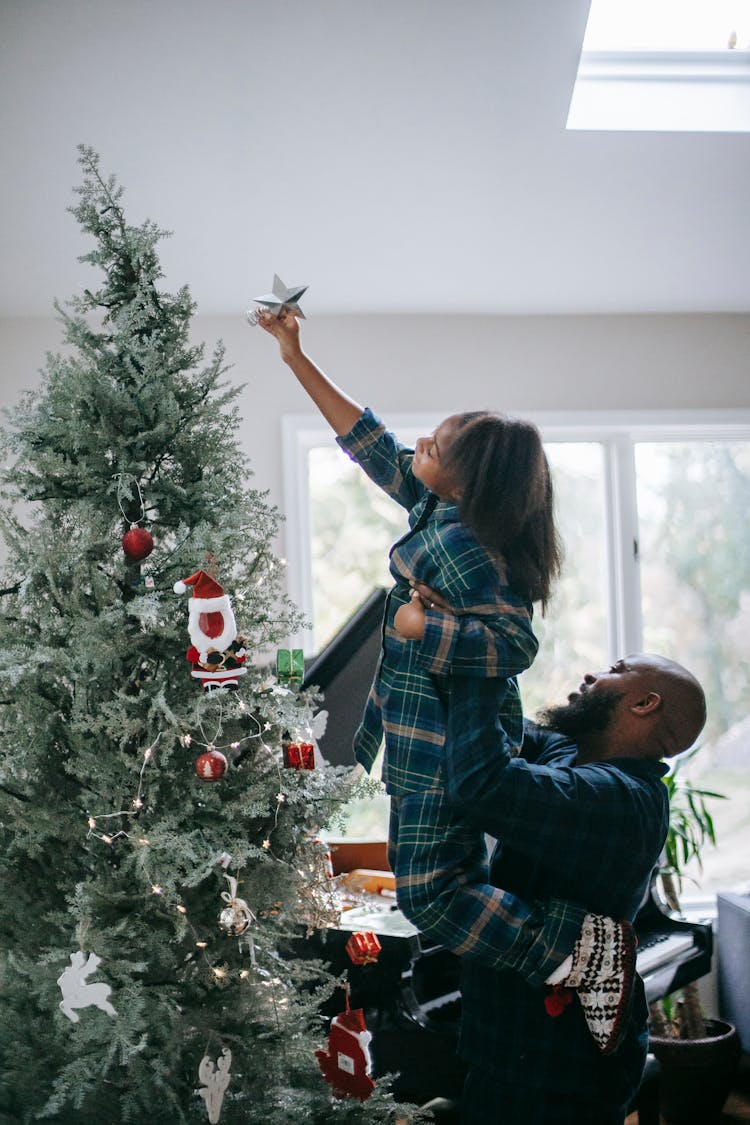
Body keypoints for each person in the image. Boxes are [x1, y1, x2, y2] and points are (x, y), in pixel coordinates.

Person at [260, 310, 637, 1053]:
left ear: (472, 481)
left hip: (443, 751)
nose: (420, 445)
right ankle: (559, 950)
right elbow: (367, 442)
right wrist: (293, 355)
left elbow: (513, 641)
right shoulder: (437, 507)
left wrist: (417, 629)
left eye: (438, 444)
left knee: (432, 898)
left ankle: (580, 949)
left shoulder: (471, 547)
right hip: (417, 744)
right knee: (427, 879)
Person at [427, 634, 707, 1124]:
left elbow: (482, 784)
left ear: (644, 703)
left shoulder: (621, 800)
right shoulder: (578, 760)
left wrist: (478, 661)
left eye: (616, 669)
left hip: (556, 1072)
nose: (592, 675)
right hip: (515, 1053)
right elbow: (519, 733)